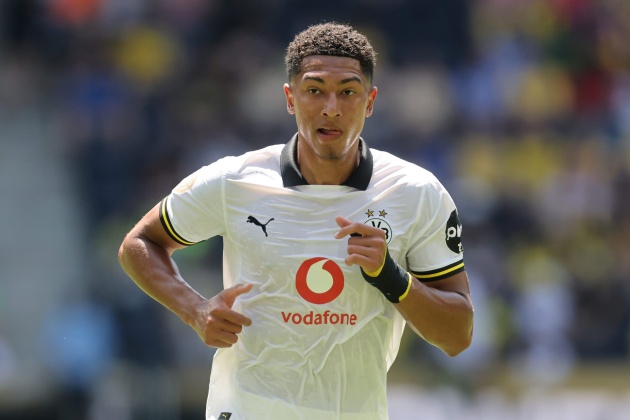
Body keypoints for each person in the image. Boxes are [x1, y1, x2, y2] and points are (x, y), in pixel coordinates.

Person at [118, 22, 474, 420]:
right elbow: (139, 244)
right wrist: (194, 310)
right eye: (314, 90)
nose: (331, 108)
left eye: (348, 92)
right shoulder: (234, 180)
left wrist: (390, 276)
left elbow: (457, 335)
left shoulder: (416, 193)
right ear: (290, 98)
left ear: (370, 101)